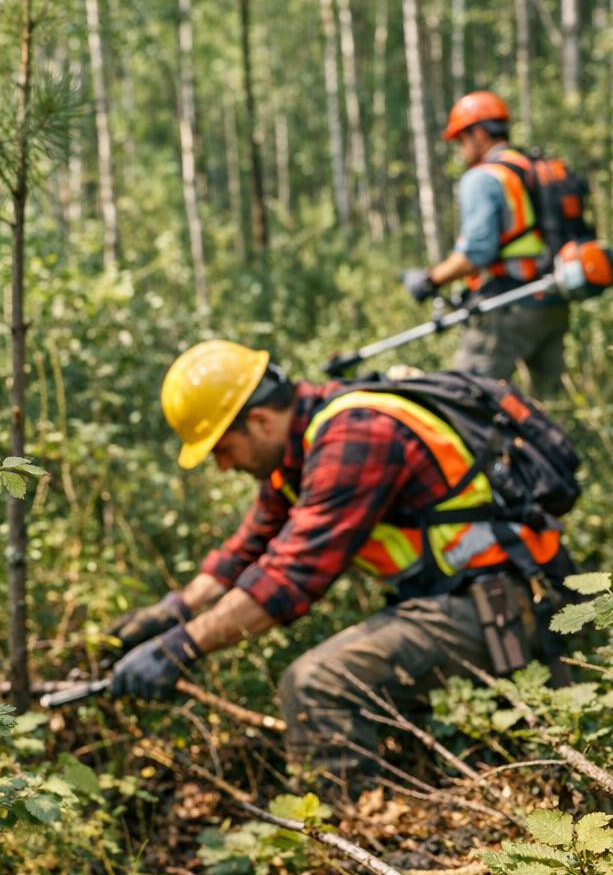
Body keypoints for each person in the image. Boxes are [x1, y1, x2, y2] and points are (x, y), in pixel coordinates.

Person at [107, 340, 570, 795]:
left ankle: (345, 839)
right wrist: (174, 610)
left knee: (316, 685)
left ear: (260, 421)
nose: (223, 466)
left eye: (222, 449)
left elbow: (291, 576)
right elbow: (247, 550)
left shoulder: (356, 434)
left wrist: (179, 649)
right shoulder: (298, 450)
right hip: (455, 600)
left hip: (501, 607)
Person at [399, 91, 569, 397]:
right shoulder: (532, 167)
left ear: (479, 133)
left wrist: (429, 280)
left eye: (461, 139)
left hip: (508, 306)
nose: (460, 148)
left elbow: (477, 251)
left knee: (466, 398)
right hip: (553, 301)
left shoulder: (483, 178)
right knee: (551, 405)